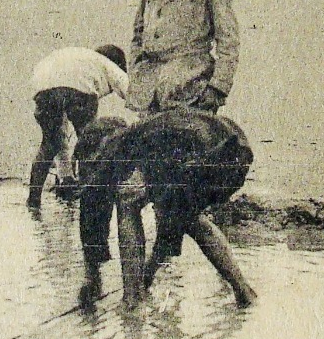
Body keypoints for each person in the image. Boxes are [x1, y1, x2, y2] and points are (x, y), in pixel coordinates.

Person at [74, 110, 257, 308]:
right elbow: (169, 227)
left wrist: (92, 277)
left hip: (210, 153)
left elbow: (92, 216)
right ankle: (243, 291)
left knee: (128, 202)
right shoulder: (149, 136)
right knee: (190, 220)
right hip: (238, 150)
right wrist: (149, 273)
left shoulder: (122, 146)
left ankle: (132, 300)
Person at [26, 44, 128, 210]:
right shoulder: (108, 65)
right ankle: (90, 198)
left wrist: (65, 173)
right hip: (79, 91)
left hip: (42, 85)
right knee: (89, 142)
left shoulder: (83, 58)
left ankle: (33, 201)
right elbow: (132, 93)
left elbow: (60, 135)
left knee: (49, 144)